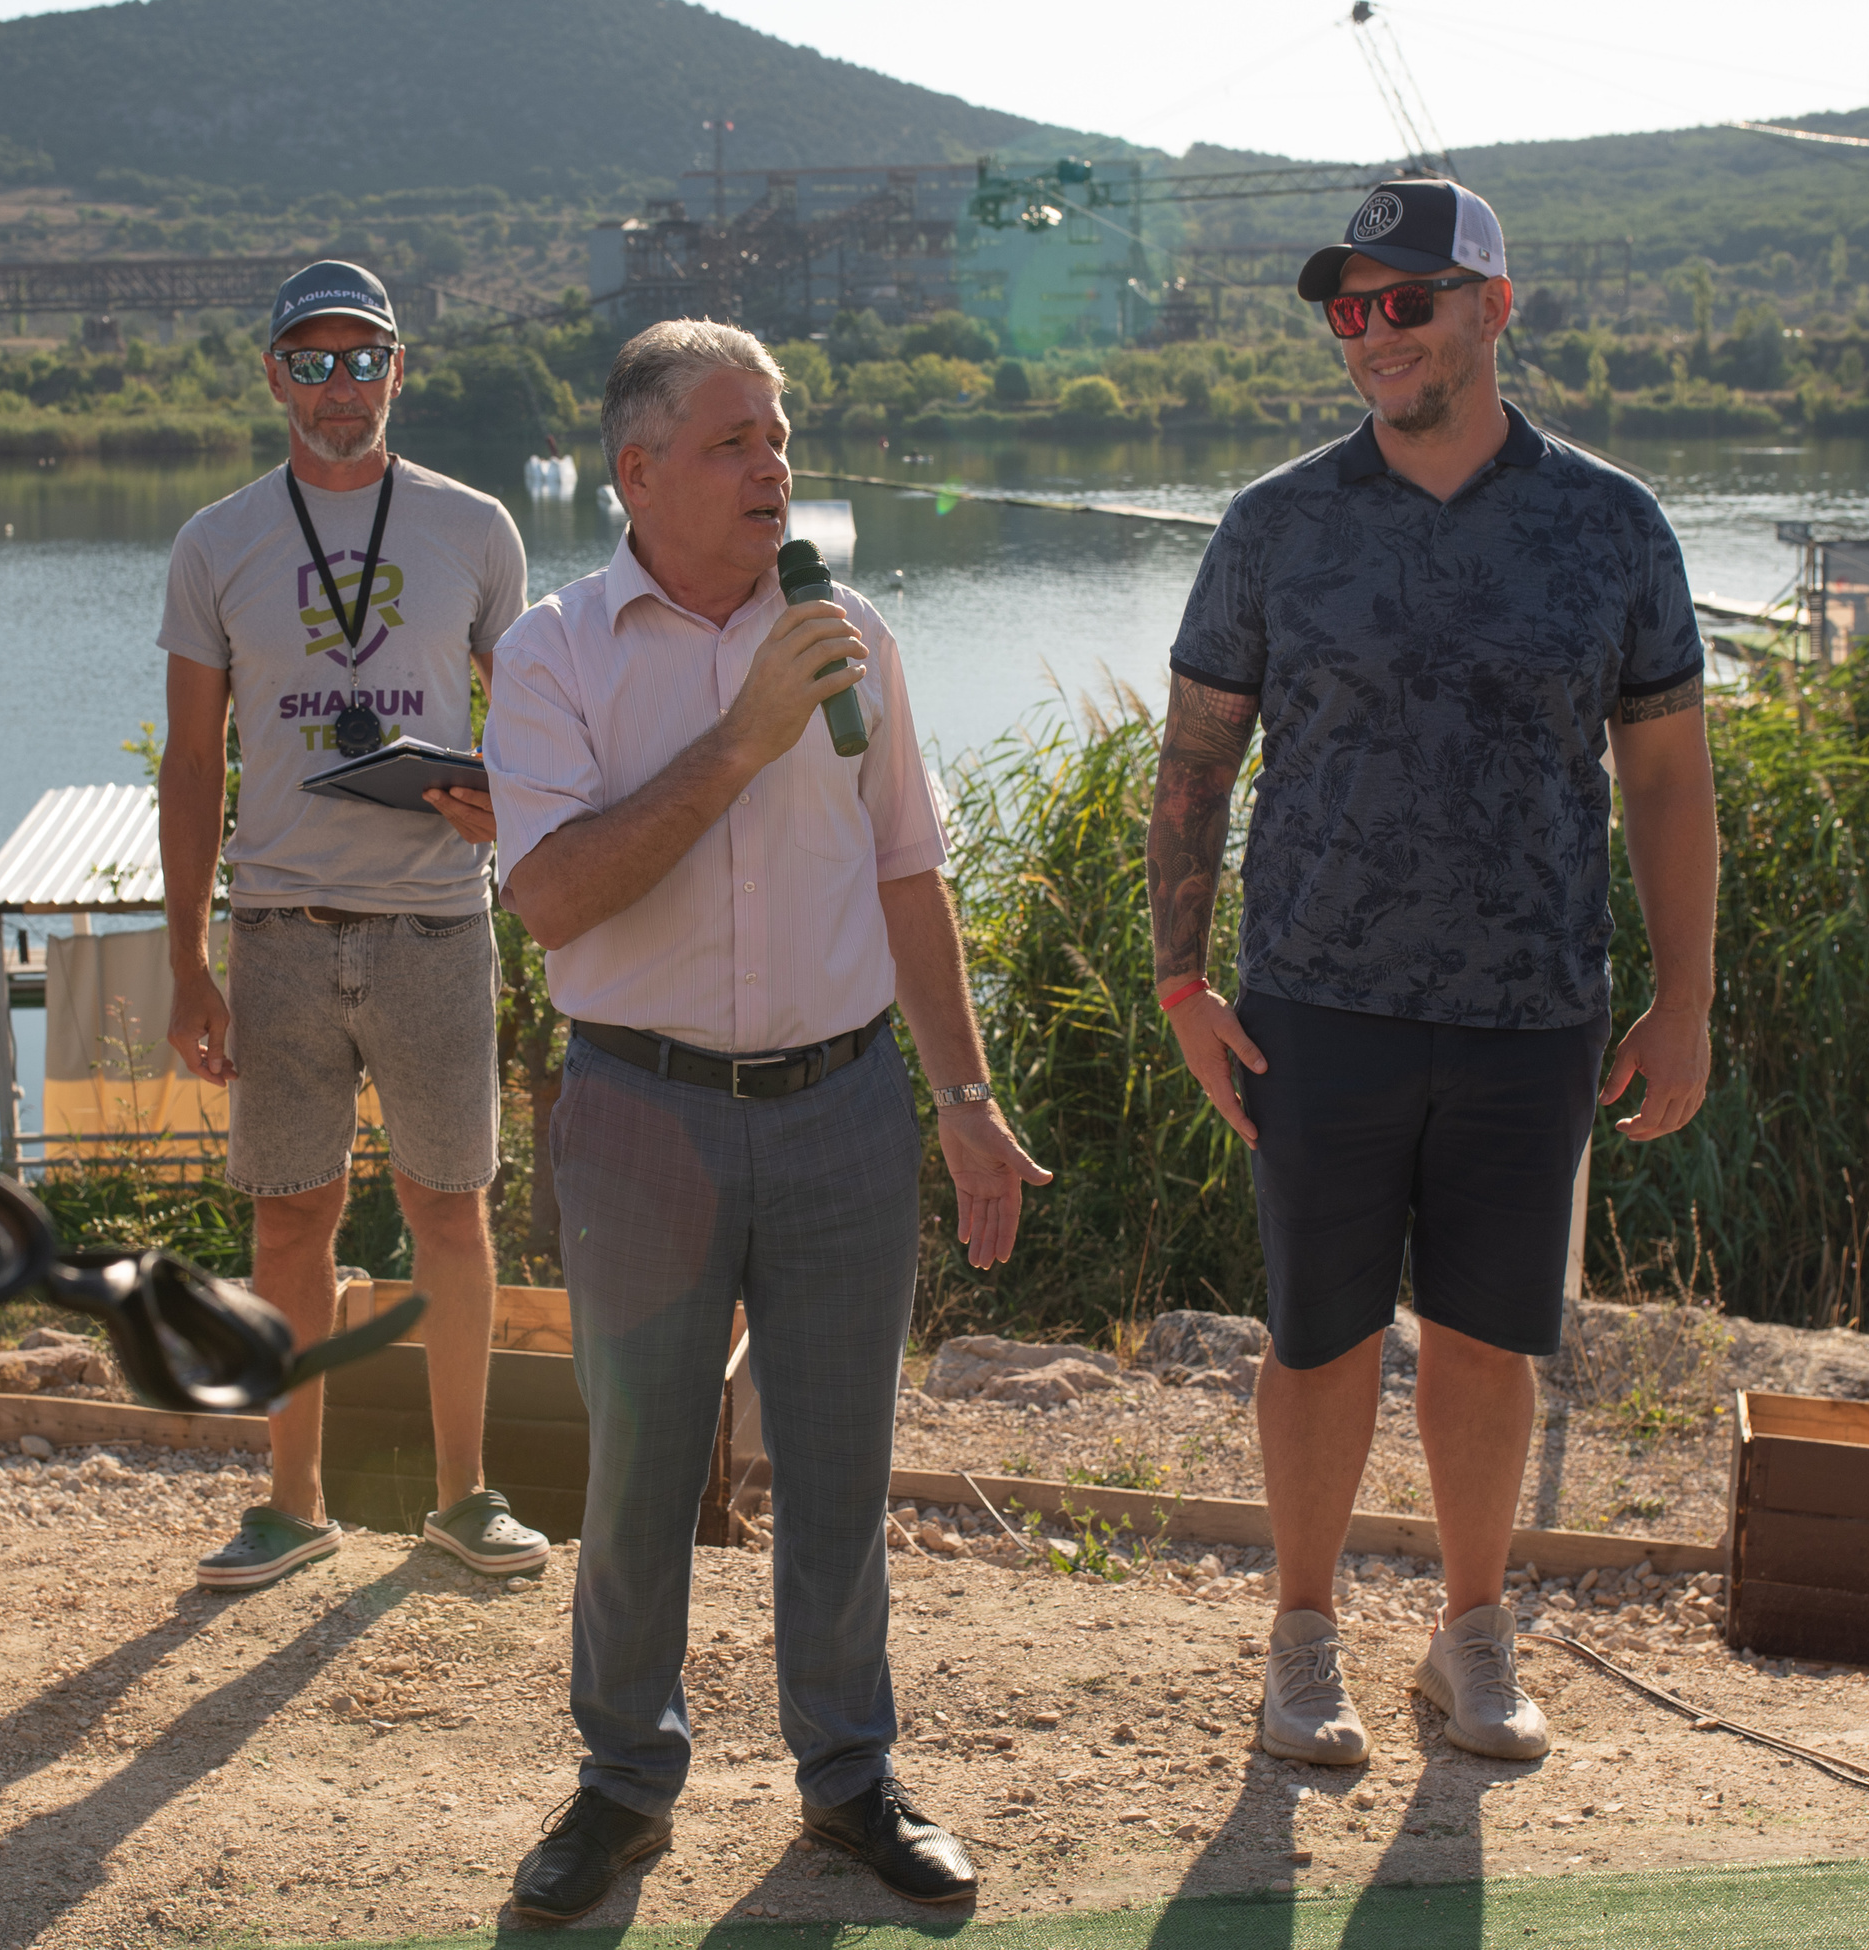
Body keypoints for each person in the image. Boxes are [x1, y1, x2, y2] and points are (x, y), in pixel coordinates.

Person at [485, 318, 1052, 1923]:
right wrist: (742, 734)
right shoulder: (553, 653)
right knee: (644, 1466)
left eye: (780, 434)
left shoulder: (848, 624)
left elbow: (908, 873)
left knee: (841, 1463)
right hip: (639, 1113)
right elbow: (551, 896)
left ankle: (851, 1777)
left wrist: (966, 1100)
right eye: (735, 441)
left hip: (844, 1105)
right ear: (640, 471)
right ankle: (620, 1783)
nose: (774, 466)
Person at [1147, 178, 1717, 1766]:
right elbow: (1197, 759)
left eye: (1407, 300)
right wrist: (1184, 986)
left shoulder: (1611, 525)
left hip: (1535, 1007)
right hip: (1313, 1001)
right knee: (1316, 1336)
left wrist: (1688, 1000)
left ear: (1492, 307)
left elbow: (1668, 778)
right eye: (1350, 307)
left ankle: (1471, 1634)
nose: (1375, 332)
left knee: (1486, 1334)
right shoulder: (1276, 524)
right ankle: (1305, 1635)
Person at [159, 259, 546, 1591]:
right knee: (289, 1222)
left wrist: (513, 803)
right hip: (275, 927)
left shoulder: (475, 527)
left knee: (452, 1208)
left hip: (437, 922)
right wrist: (185, 965)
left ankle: (465, 1495)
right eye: (310, 363)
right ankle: (290, 1502)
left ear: (399, 368)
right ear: (274, 374)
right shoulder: (216, 541)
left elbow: (538, 723)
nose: (338, 387)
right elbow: (191, 759)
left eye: (360, 359)